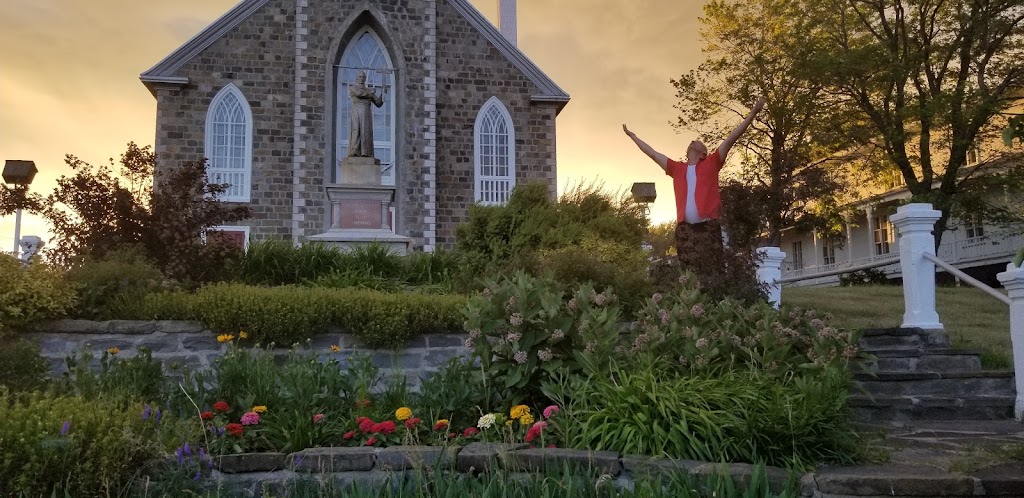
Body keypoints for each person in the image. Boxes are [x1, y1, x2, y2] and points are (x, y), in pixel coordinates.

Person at [623, 97, 766, 284]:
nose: (693, 140)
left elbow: (732, 137)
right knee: (688, 273)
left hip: (708, 227)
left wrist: (753, 113)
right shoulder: (676, 168)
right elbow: (652, 153)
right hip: (685, 229)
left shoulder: (712, 163)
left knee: (713, 270)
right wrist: (633, 137)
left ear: (703, 153)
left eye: (697, 142)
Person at [347, 71, 385, 158]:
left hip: (366, 114)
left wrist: (383, 93)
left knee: (366, 132)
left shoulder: (369, 91)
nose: (361, 78)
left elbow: (378, 103)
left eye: (363, 77)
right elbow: (359, 94)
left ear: (365, 79)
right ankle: (354, 152)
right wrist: (371, 92)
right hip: (356, 113)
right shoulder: (353, 88)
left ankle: (366, 152)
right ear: (357, 78)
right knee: (356, 131)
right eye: (360, 76)